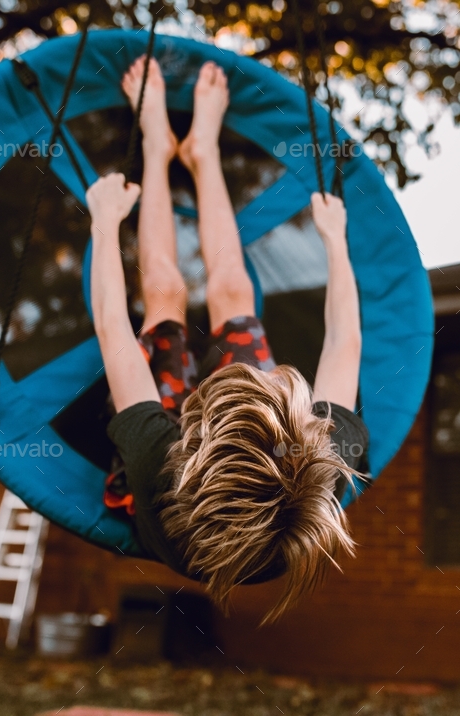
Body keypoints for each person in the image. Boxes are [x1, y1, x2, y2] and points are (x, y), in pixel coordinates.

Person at [85, 57, 369, 623]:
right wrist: (335, 241)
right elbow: (344, 341)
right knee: (235, 292)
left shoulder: (158, 464)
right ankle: (202, 153)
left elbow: (112, 326)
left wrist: (104, 220)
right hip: (235, 496)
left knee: (163, 292)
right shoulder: (324, 456)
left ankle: (158, 150)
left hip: (182, 503)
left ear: (190, 443)